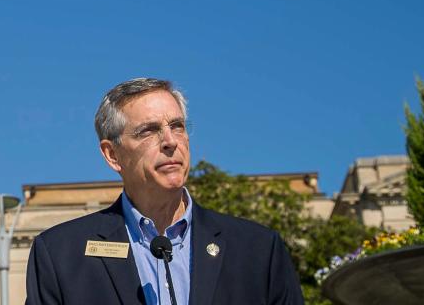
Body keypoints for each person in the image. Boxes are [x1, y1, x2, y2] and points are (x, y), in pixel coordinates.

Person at [25, 78, 303, 305]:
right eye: (149, 131)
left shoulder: (258, 250)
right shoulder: (60, 254)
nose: (170, 141)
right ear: (112, 155)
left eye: (177, 126)